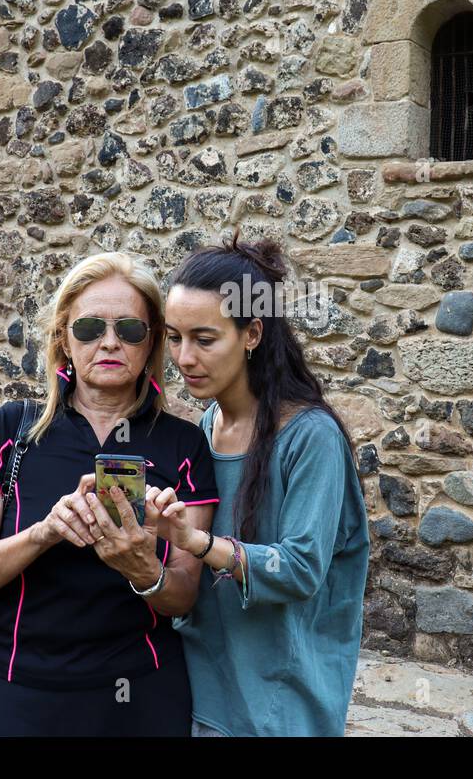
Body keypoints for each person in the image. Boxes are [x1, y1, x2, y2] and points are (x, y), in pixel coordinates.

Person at [0, 252, 219, 736]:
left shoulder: (184, 444)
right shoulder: (16, 429)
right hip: (18, 692)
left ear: (151, 342)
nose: (110, 342)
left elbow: (182, 598)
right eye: (89, 328)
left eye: (130, 330)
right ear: (63, 339)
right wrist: (46, 532)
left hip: (141, 697)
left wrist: (143, 568)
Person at [156, 231, 370, 736]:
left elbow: (300, 568)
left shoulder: (310, 437)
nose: (184, 358)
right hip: (202, 687)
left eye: (205, 339)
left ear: (252, 334)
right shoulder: (206, 427)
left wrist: (200, 542)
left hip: (280, 705)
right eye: (174, 337)